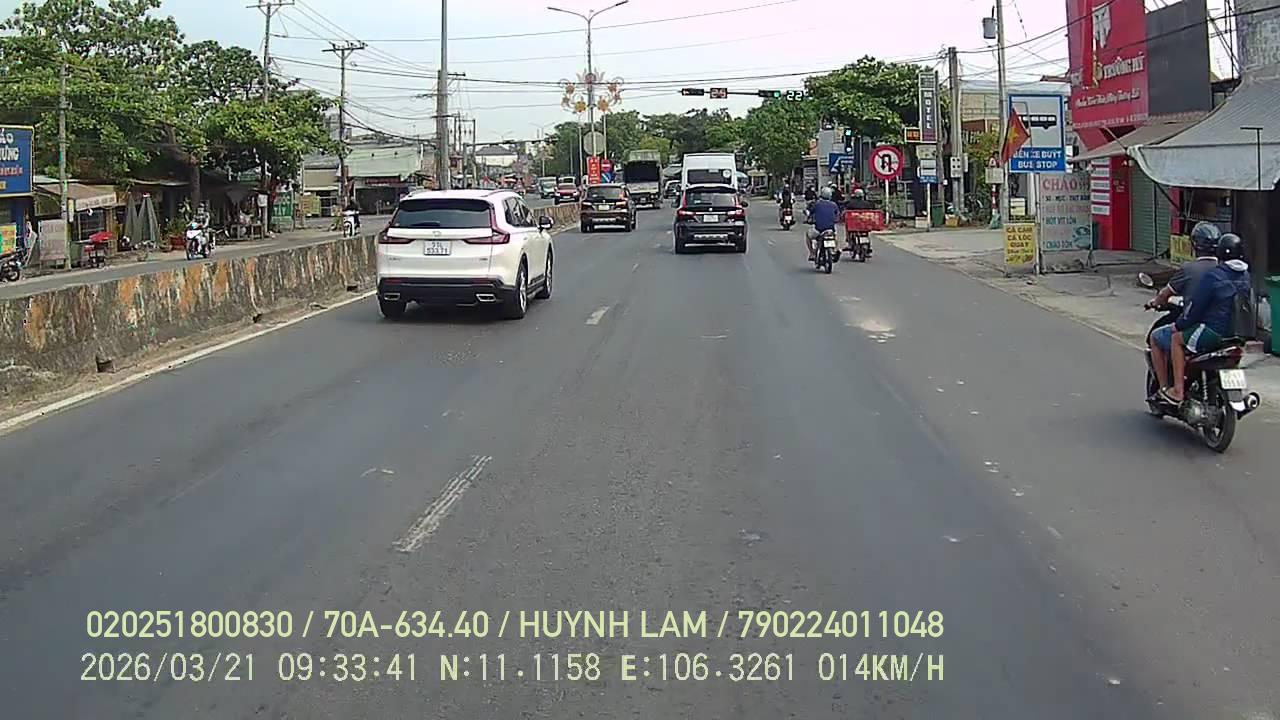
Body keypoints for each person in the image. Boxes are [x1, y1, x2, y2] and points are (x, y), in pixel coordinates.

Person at [1158, 233, 1252, 403]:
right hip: (1238, 335)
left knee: (1176, 339)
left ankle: (1178, 390)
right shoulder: (1246, 276)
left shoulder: (1214, 275)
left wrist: (1180, 324)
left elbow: (1196, 306)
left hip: (1214, 332)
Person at [1147, 221, 1222, 397]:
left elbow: (1165, 293)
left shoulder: (1189, 269)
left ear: (1194, 245)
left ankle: (1169, 390)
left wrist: (1155, 302)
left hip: (1200, 327)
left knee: (1158, 337)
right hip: (1226, 328)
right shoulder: (1225, 269)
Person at [805, 187, 840, 261]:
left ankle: (812, 253)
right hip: (830, 230)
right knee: (835, 238)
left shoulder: (817, 204)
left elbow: (809, 212)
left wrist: (809, 217)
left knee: (808, 235)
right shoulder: (834, 205)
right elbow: (837, 216)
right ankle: (834, 250)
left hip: (819, 230)